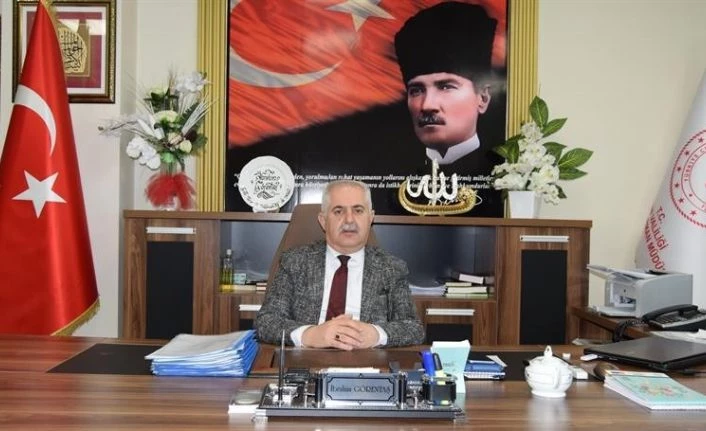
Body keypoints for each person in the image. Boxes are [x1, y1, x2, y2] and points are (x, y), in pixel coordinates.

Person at [255, 180, 424, 349]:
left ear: (370, 217)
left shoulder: (392, 268)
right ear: (323, 220)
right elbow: (266, 322)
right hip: (308, 357)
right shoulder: (294, 262)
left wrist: (376, 334)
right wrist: (310, 334)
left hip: (367, 358)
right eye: (338, 211)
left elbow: (413, 328)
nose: (349, 220)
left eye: (358, 210)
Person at [394, 1, 498, 168]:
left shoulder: (504, 170)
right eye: (416, 90)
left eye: (445, 87)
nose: (427, 105)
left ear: (483, 98)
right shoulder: (391, 169)